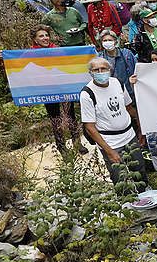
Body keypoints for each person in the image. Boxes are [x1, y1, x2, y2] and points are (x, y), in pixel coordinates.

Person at [79, 57, 147, 191]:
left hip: (129, 135)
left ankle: (145, 194)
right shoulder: (87, 94)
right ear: (90, 73)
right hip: (110, 141)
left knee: (139, 168)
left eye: (103, 69)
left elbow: (129, 107)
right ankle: (126, 201)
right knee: (119, 176)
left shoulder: (117, 83)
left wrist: (140, 129)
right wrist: (109, 151)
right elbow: (90, 127)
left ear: (109, 70)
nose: (100, 72)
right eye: (96, 70)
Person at [29, 25, 88, 155]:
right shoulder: (30, 53)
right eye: (41, 36)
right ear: (35, 39)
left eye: (46, 35)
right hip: (47, 90)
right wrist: (4, 56)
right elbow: (17, 62)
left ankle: (77, 143)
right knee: (55, 118)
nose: (45, 38)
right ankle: (62, 147)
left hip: (63, 87)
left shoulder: (57, 49)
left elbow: (69, 64)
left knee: (70, 114)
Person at [95, 29, 136, 102]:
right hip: (111, 96)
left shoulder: (126, 54)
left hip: (129, 93)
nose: (107, 42)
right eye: (105, 41)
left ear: (116, 42)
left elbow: (135, 71)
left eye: (110, 40)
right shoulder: (100, 58)